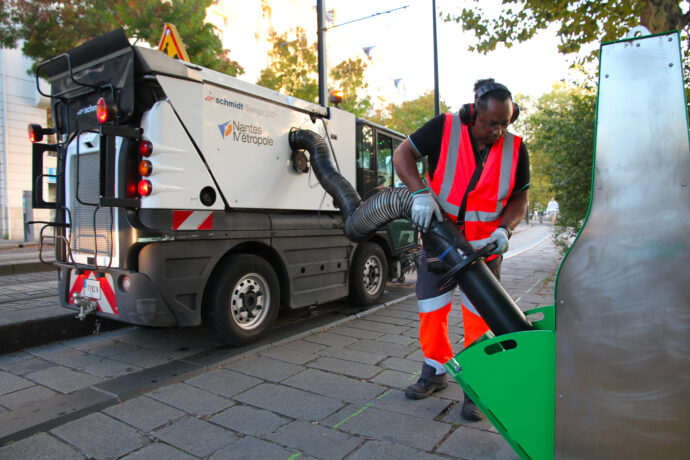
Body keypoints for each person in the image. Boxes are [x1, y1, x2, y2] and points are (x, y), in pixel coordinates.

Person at [392, 79, 529, 421]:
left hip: (485, 250)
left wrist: (505, 228)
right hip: (441, 242)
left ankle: (477, 387)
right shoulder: (445, 128)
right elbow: (402, 154)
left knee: (479, 320)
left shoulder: (516, 149)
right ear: (473, 113)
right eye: (489, 123)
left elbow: (520, 198)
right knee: (431, 310)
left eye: (503, 124)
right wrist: (419, 193)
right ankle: (435, 371)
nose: (496, 131)